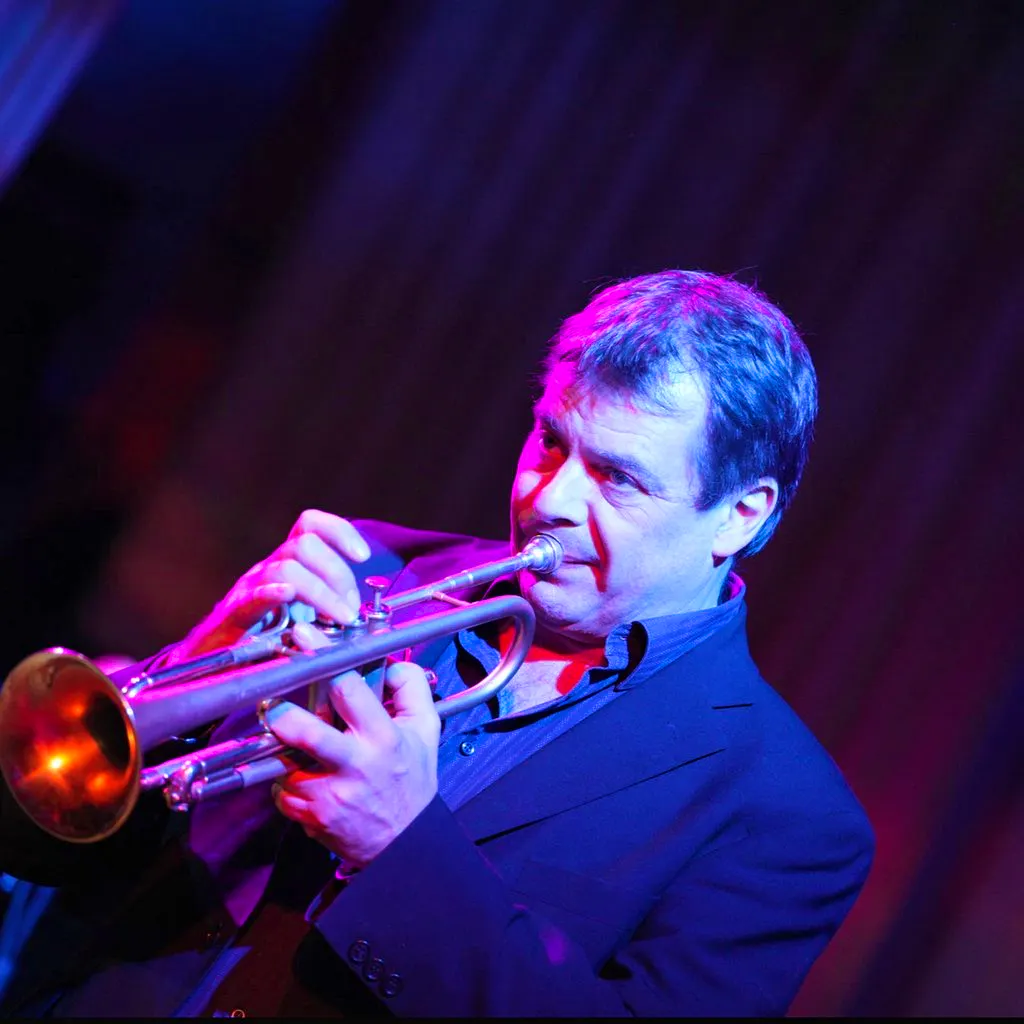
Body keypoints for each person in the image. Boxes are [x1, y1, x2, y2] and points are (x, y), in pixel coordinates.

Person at [0, 269, 874, 1017]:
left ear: (741, 514)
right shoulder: (371, 569)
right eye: (551, 440)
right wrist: (193, 666)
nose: (549, 499)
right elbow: (44, 843)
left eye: (617, 478)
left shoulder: (786, 815)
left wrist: (400, 851)